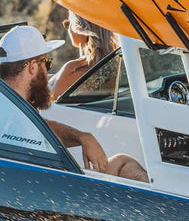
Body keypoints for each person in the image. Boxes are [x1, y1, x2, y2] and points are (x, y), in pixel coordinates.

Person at [0, 25, 148, 183]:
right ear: (32, 67)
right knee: (127, 168)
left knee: (122, 162)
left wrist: (82, 137)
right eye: (47, 63)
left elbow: (41, 126)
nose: (47, 69)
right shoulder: (23, 128)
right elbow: (43, 182)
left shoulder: (12, 106)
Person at [50, 11, 119, 100]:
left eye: (68, 24)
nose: (68, 29)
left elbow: (51, 101)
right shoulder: (113, 65)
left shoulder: (73, 69)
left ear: (79, 28)